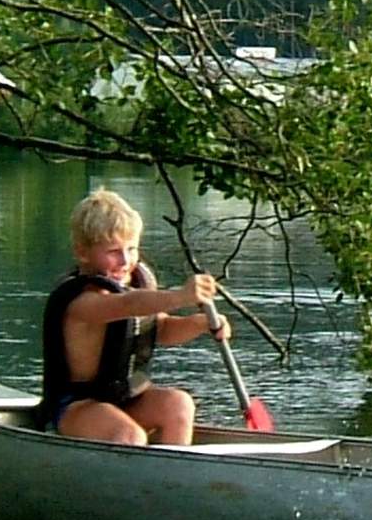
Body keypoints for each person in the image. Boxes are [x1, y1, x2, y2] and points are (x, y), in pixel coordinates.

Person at [39, 189, 229, 446]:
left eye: (132, 248)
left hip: (124, 399)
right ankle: (132, 479)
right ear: (83, 252)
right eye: (113, 251)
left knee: (178, 404)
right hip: (76, 407)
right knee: (130, 436)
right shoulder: (83, 302)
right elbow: (128, 304)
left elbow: (161, 329)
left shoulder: (133, 286)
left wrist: (200, 323)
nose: (126, 260)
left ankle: (173, 476)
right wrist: (180, 296)